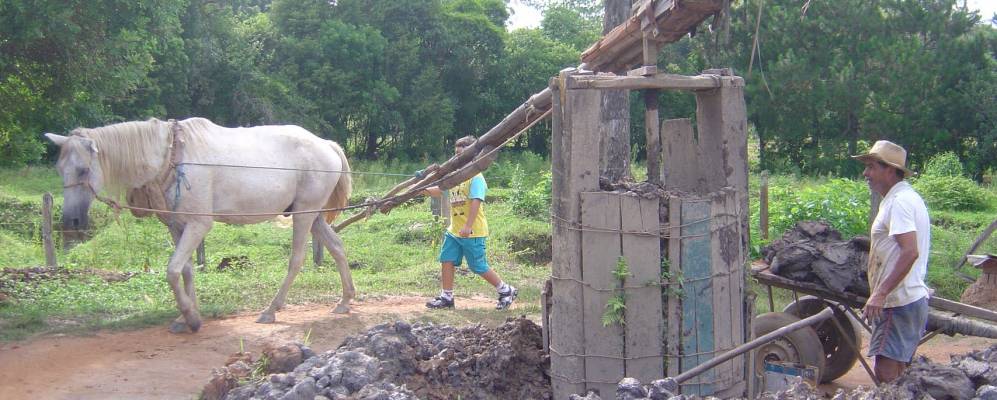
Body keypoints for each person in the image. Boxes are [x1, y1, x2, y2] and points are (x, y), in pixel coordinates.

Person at [853, 140, 931, 383]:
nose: (866, 173)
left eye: (871, 167)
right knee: (898, 376)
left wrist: (880, 293)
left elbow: (909, 251)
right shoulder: (902, 197)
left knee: (886, 373)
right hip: (908, 298)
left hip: (897, 302)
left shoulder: (900, 202)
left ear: (890, 170)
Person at [421, 135, 517, 310]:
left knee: (478, 266)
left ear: (473, 156)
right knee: (447, 259)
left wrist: (468, 225)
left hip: (473, 231)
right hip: (454, 230)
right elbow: (441, 190)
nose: (458, 158)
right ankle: (447, 296)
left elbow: (476, 201)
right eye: (456, 155)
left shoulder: (476, 178)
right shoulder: (455, 177)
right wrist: (422, 190)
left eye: (462, 155)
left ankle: (506, 290)